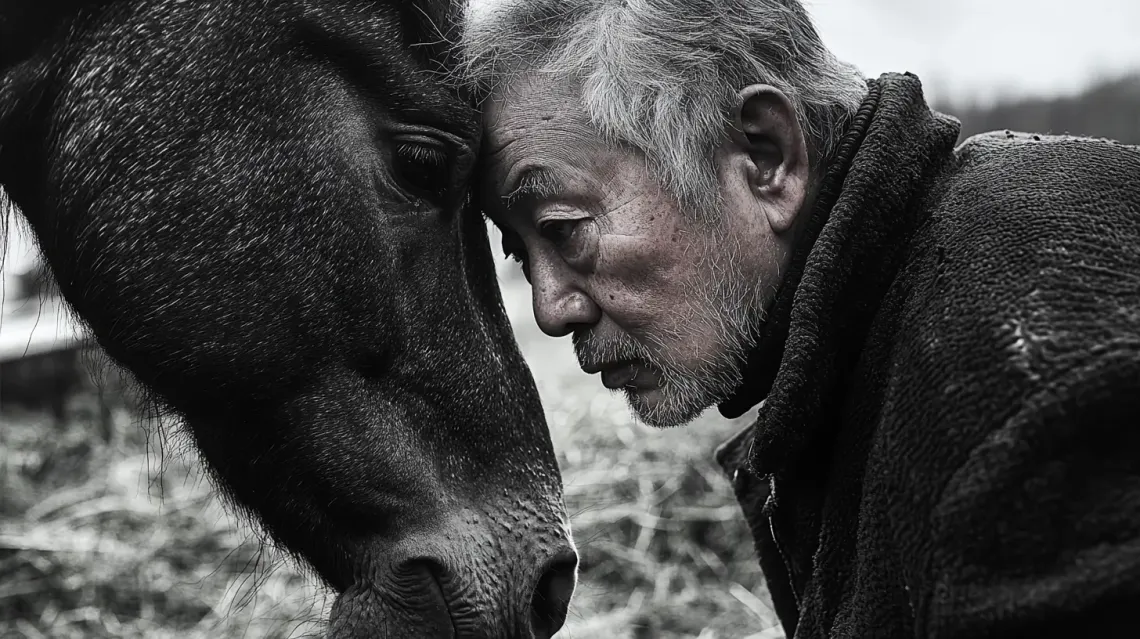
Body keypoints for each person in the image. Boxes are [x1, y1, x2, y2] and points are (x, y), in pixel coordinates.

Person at [462, 0, 1140, 636]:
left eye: (564, 228)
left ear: (766, 156)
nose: (550, 307)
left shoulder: (1022, 396)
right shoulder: (882, 344)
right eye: (521, 253)